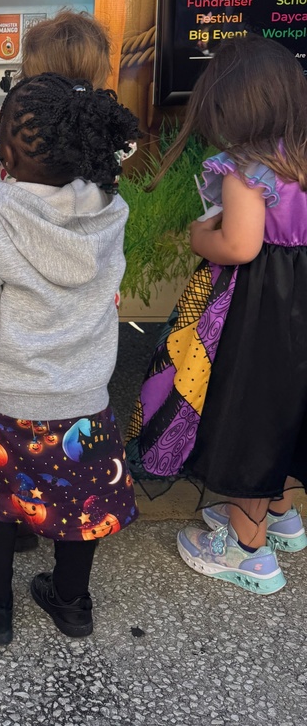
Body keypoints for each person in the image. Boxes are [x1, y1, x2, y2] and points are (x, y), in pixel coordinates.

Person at [0, 74, 140, 645]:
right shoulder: (110, 213)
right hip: (86, 398)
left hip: (10, 400)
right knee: (82, 504)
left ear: (7, 156)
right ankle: (72, 604)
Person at [127, 38, 307, 596]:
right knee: (288, 409)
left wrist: (198, 236)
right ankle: (282, 515)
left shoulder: (249, 170)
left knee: (252, 415)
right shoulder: (301, 157)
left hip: (262, 312)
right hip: (300, 310)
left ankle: (247, 549)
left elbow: (240, 246)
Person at [0, 8, 116, 555]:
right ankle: (73, 595)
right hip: (84, 375)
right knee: (80, 492)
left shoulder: (5, 193)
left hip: (14, 375)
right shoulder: (106, 191)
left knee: (3, 484)